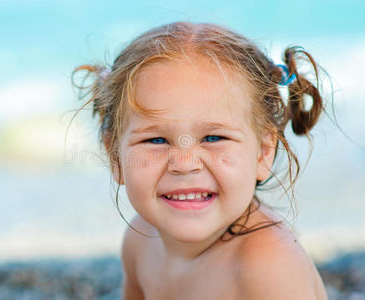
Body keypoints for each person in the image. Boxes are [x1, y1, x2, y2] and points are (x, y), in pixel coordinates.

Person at [72, 21, 328, 299]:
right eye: (156, 140)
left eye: (213, 138)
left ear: (263, 152)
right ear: (115, 157)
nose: (184, 163)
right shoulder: (140, 240)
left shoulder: (268, 266)